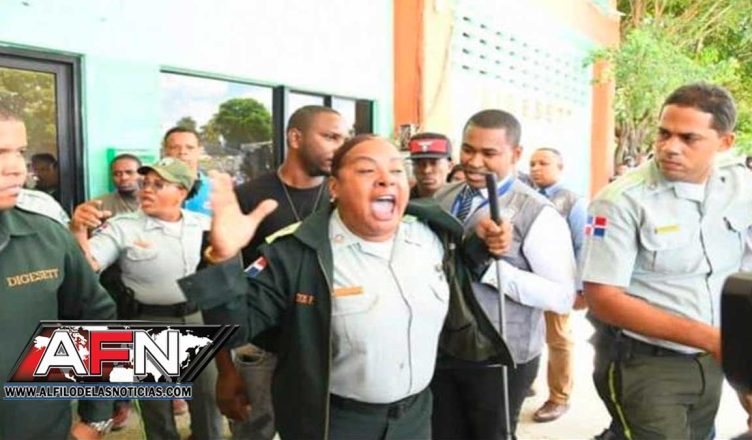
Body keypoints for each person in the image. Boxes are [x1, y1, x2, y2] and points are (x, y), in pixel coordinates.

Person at [179, 134, 514, 440]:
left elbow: (453, 277)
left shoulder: (432, 233)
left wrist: (482, 246)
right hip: (336, 422)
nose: (386, 179)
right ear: (335, 188)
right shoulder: (295, 254)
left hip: (416, 417)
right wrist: (222, 258)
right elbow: (234, 330)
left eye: (396, 171)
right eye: (367, 170)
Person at [581, 83, 752, 439]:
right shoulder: (621, 201)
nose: (670, 147)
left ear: (724, 143)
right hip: (646, 364)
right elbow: (603, 298)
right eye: (664, 133)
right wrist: (711, 338)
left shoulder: (739, 186)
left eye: (689, 138)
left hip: (712, 360)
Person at [432, 109, 576, 439]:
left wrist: (492, 271)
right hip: (443, 346)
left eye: (489, 153)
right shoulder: (444, 197)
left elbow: (562, 297)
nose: (474, 162)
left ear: (515, 153)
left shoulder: (537, 213)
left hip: (500, 355)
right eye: (468, 149)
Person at [70, 158, 223, 440]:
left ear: (181, 191)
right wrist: (78, 230)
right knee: (156, 410)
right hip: (148, 322)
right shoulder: (123, 227)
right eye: (146, 183)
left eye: (159, 184)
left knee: (208, 400)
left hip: (197, 319)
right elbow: (88, 265)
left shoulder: (203, 226)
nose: (147, 190)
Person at [229, 105, 349, 439]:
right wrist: (226, 370)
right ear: (295, 138)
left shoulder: (343, 196)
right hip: (262, 350)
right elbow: (226, 294)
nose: (340, 148)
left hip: (325, 349)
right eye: (331, 137)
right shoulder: (249, 197)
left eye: (344, 139)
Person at [0, 106, 117, 439]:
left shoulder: (48, 236)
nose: (16, 168)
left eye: (20, 152)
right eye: (0, 153)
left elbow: (94, 318)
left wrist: (96, 416)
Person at [528, 147, 588, 422]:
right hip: (527, 280)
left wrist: (580, 288)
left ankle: (559, 398)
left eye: (543, 163)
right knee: (526, 333)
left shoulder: (573, 202)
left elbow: (583, 245)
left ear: (560, 168)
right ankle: (527, 381)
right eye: (532, 163)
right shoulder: (526, 196)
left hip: (557, 283)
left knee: (558, 338)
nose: (536, 168)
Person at [162, 126, 212, 216]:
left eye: (190, 147)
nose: (182, 152)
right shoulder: (150, 189)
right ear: (165, 151)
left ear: (200, 151)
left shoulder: (218, 190)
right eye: (175, 147)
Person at [407, 132, 453, 199]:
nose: (426, 170)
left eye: (434, 163)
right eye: (419, 163)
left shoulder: (462, 201)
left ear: (450, 166)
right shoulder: (401, 201)